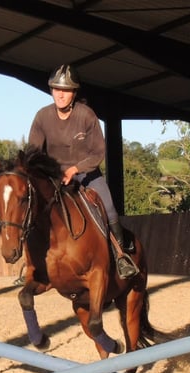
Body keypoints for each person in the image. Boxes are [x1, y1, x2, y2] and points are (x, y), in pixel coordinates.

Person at [28, 64, 139, 279]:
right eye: (56, 89)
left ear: (74, 93)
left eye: (66, 90)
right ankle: (31, 263)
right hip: (54, 177)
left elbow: (98, 152)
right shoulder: (42, 117)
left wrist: (75, 169)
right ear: (51, 90)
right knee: (30, 206)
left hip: (86, 173)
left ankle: (121, 256)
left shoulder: (86, 115)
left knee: (109, 208)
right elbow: (34, 153)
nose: (60, 94)